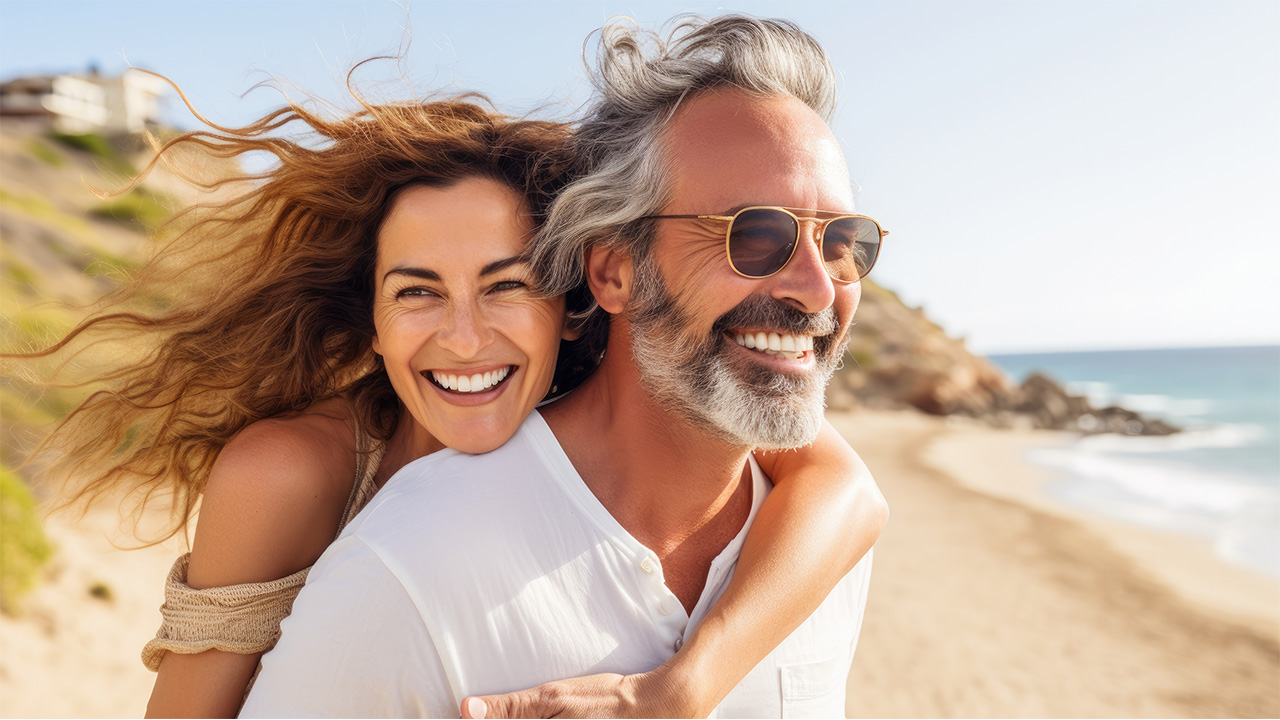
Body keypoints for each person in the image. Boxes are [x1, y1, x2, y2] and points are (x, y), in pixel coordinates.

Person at [12, 50, 887, 720]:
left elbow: (841, 485)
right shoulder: (294, 474)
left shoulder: (631, 386)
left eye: (506, 286)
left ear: (575, 300)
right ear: (374, 317)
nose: (466, 337)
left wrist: (684, 688)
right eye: (418, 292)